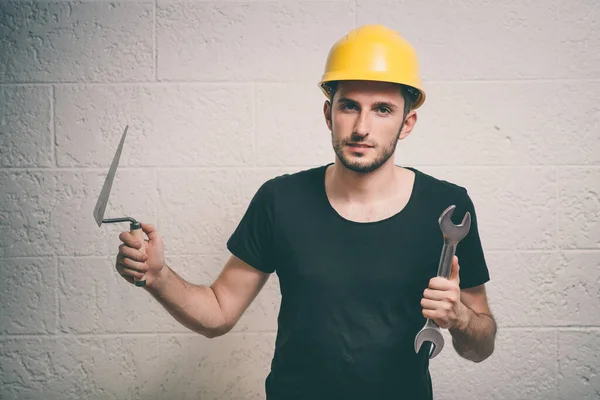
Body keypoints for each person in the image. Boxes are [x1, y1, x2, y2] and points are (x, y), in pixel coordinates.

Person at [115, 24, 497, 400]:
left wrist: (460, 317)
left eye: (382, 110)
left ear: (407, 123)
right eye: (350, 106)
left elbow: (481, 345)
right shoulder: (280, 199)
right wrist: (158, 276)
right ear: (329, 113)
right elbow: (218, 312)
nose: (362, 127)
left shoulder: (446, 207)